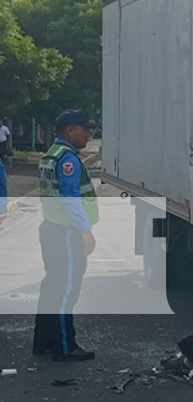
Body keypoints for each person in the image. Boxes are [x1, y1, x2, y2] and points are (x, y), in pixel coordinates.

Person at [33, 109, 99, 362]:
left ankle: (44, 343)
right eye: (84, 128)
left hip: (51, 228)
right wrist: (86, 232)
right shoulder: (67, 159)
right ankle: (64, 346)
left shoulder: (51, 155)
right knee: (66, 290)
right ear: (70, 130)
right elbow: (71, 200)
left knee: (52, 286)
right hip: (65, 232)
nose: (88, 134)